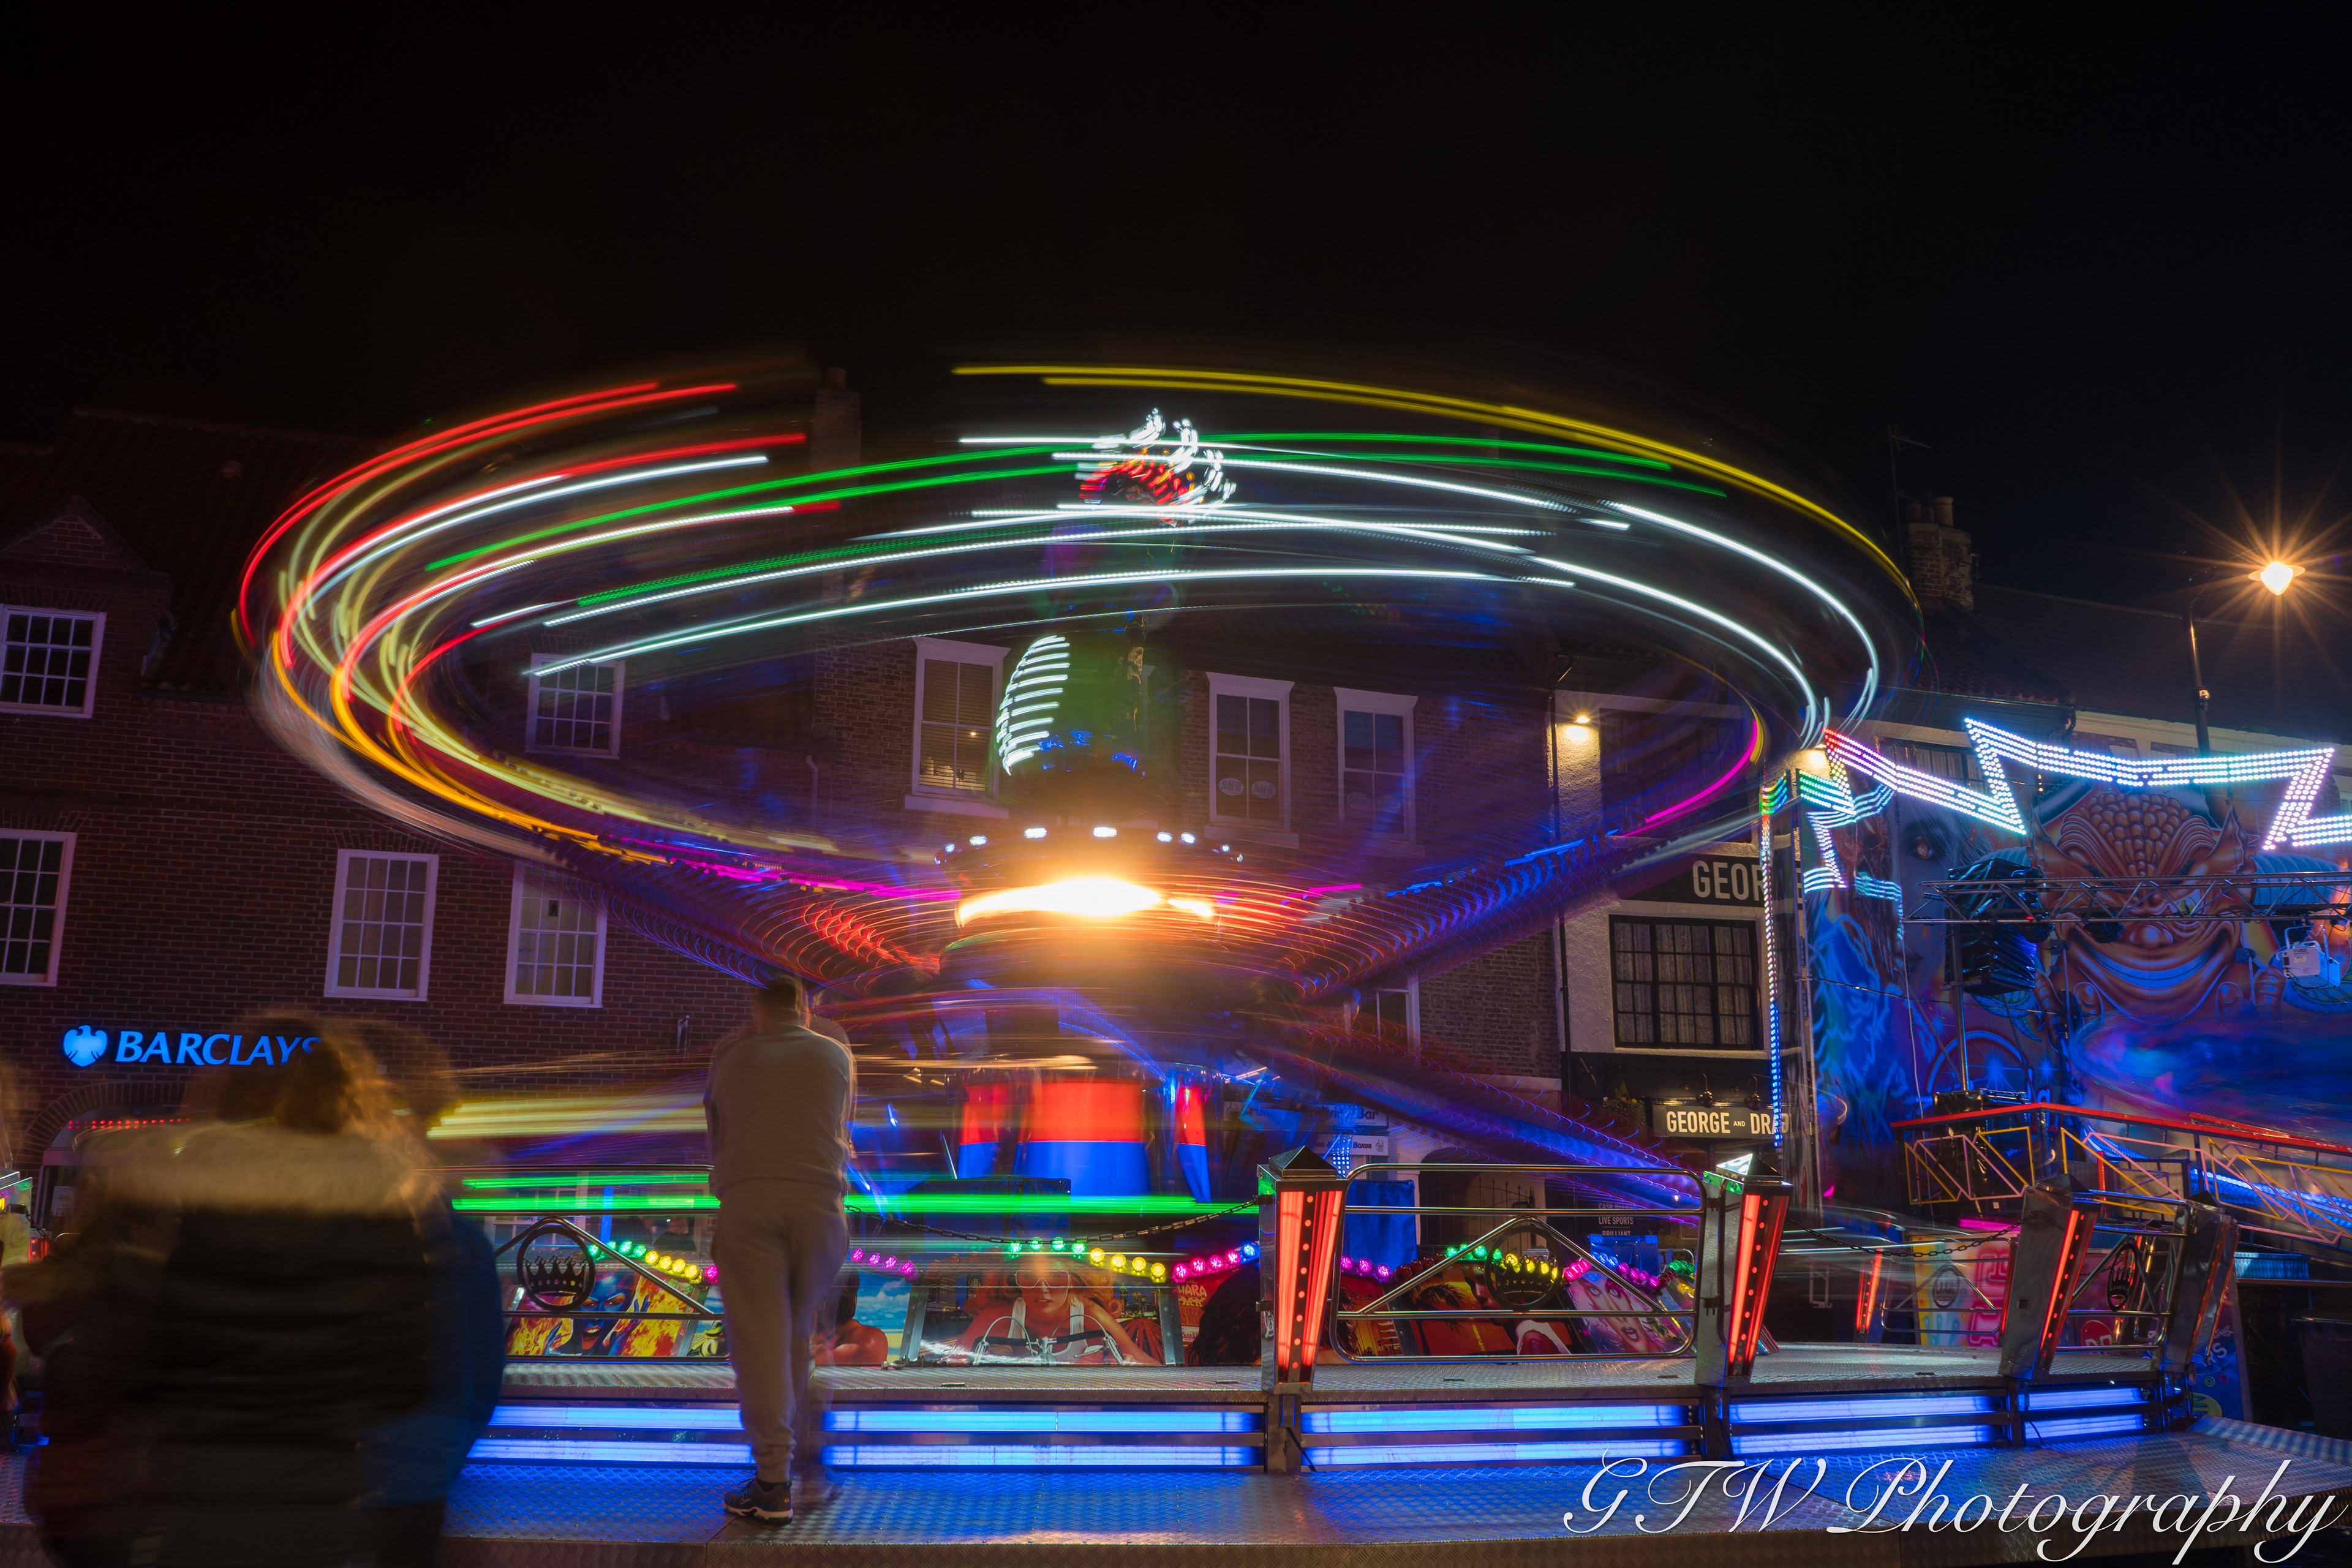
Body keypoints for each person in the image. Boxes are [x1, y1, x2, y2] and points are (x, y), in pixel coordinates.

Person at [80, 1024, 434, 1567]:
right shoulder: (378, 1206)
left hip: (209, 1491)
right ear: (346, 1098)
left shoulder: (210, 1200)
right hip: (316, 1493)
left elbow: (161, 1363)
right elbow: (404, 1378)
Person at [704, 973, 856, 1525]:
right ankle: (808, 1466)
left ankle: (772, 1483)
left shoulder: (732, 1059)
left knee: (761, 1347)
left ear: (759, 1010)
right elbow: (841, 1124)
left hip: (752, 1206)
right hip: (822, 1211)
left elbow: (717, 1135)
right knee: (797, 1338)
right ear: (804, 1009)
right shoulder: (835, 1056)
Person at [355, 1023, 506, 1568]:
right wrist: (441, 1451)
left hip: (325, 1474)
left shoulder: (293, 1220)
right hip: (414, 1470)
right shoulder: (453, 1237)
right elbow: (480, 1369)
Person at [951, 1255, 1155, 1365]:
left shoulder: (1089, 1315)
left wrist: (1130, 1366)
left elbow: (1148, 1365)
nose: (1042, 1289)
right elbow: (951, 1363)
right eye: (1029, 1277)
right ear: (1017, 1282)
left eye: (1056, 1277)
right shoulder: (998, 1317)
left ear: (1071, 1282)